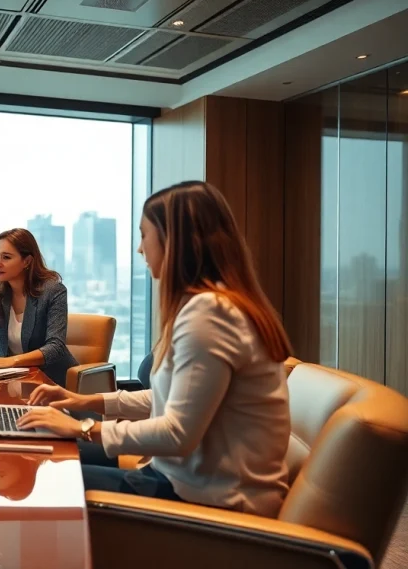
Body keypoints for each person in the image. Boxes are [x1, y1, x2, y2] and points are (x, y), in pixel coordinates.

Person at [18, 181, 293, 518]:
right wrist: (81, 401)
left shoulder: (210, 314)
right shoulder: (215, 305)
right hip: (187, 482)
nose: (140, 249)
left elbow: (177, 433)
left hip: (213, 504)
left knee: (46, 477)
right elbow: (169, 398)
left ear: (173, 240)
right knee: (43, 450)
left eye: (144, 235)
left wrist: (82, 428)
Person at [0, 228, 78, 387]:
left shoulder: (53, 291)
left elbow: (55, 348)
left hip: (51, 382)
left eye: (6, 257)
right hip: (12, 381)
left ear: (27, 261)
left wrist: (11, 361)